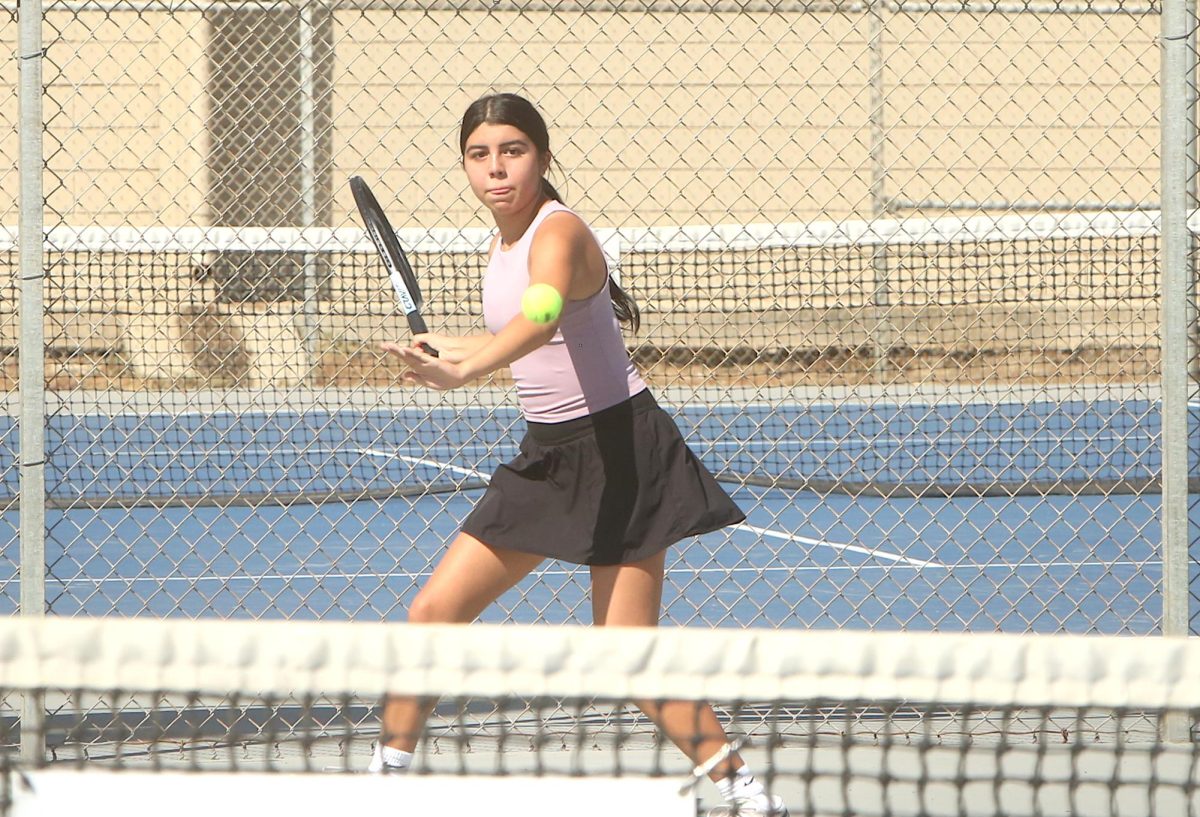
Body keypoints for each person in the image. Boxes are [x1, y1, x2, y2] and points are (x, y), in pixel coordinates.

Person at [373, 92, 788, 817]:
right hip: (549, 455)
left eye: (513, 150)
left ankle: (743, 791)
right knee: (432, 611)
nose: (496, 168)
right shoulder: (499, 246)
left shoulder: (557, 232)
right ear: (465, 166)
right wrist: (447, 350)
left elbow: (539, 319)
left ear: (543, 157)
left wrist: (467, 369)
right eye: (480, 154)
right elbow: (522, 341)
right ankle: (383, 784)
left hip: (623, 451)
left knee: (627, 653)